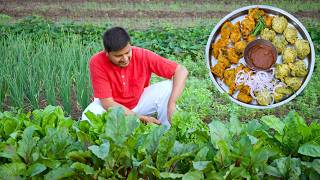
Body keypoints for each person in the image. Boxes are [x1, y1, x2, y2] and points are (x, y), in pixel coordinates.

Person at [81, 27, 188, 126]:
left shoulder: (142, 55)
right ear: (107, 53)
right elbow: (108, 103)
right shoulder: (97, 62)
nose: (125, 59)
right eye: (118, 56)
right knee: (88, 116)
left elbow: (181, 70)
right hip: (113, 109)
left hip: (139, 102)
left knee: (168, 87)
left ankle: (167, 130)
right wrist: (139, 118)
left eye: (127, 52)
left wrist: (171, 104)